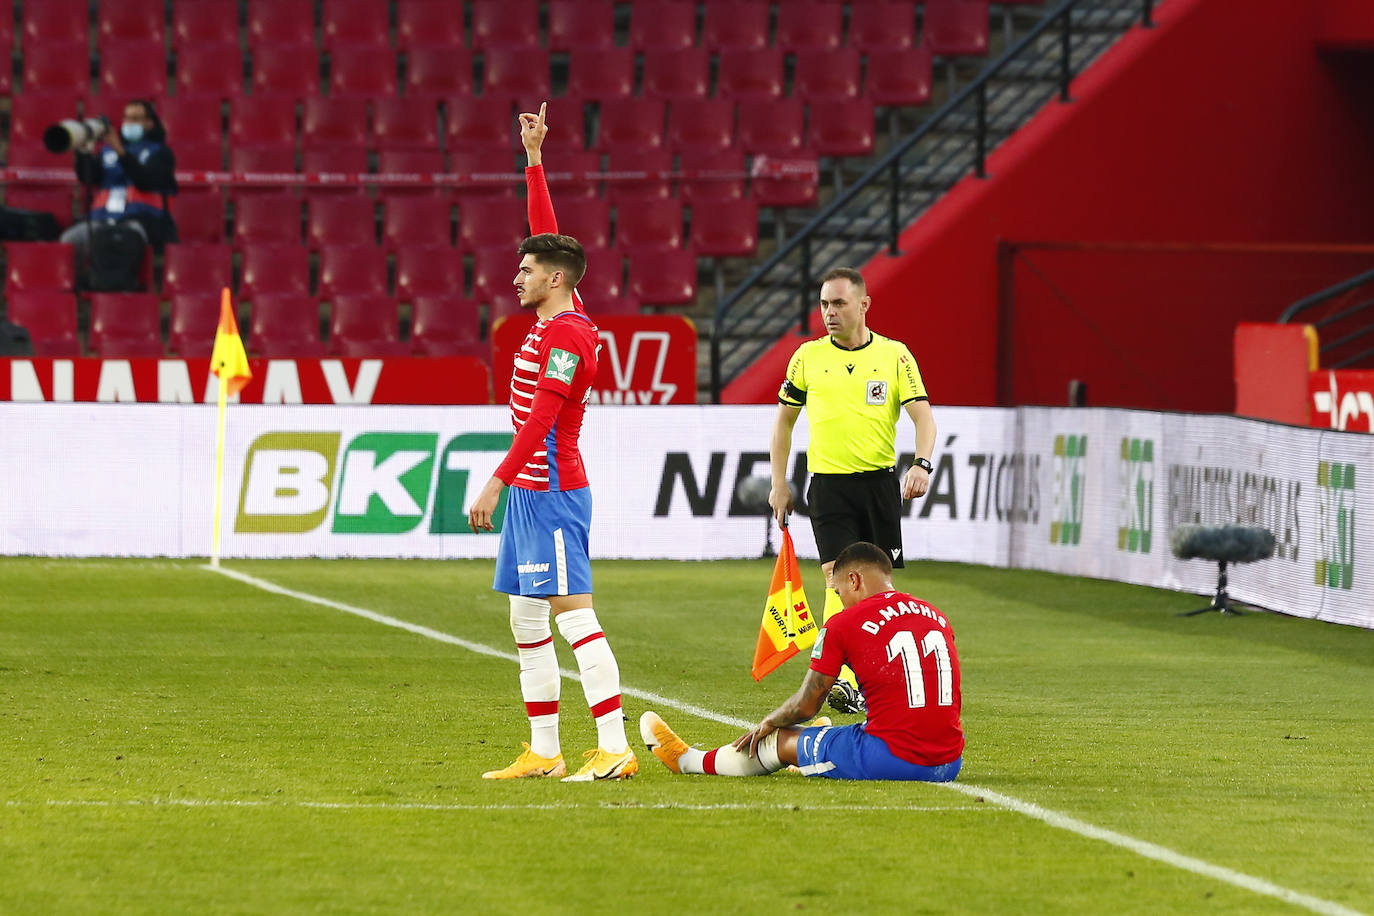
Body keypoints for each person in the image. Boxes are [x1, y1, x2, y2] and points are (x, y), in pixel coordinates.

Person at [469, 102, 637, 783]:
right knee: (526, 623)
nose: (518, 276)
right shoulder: (557, 310)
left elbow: (541, 418)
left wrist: (497, 480)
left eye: (528, 271)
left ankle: (615, 747)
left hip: (553, 491)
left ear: (556, 281)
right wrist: (534, 160)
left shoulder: (569, 336)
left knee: (573, 617)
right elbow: (549, 236)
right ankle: (545, 750)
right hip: (533, 496)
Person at [641, 542, 963, 781]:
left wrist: (771, 721)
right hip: (949, 761)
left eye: (837, 593)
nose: (839, 601)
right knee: (848, 728)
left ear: (854, 580)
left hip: (891, 759)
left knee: (779, 739)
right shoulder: (936, 615)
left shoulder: (843, 623)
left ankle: (688, 760)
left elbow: (805, 706)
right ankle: (818, 743)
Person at [768, 267, 937, 714]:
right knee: (837, 579)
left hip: (879, 485)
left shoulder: (895, 356)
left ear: (863, 305)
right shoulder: (806, 357)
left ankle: (871, 674)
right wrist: (779, 482)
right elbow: (783, 423)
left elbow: (923, 417)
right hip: (828, 487)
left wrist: (921, 463)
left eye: (838, 303)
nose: (829, 313)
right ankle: (840, 678)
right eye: (824, 304)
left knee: (879, 588)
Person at [61, 99, 178, 282]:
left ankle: (123, 287)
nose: (130, 123)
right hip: (103, 218)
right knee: (70, 239)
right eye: (127, 118)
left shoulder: (161, 153)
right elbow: (88, 177)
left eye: (136, 119)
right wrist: (82, 152)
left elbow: (145, 181)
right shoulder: (107, 151)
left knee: (124, 238)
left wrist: (120, 150)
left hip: (142, 222)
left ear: (149, 123)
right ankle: (80, 286)